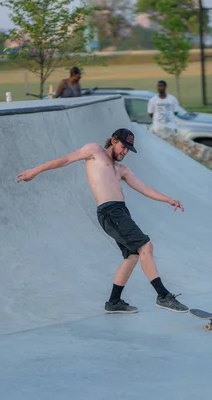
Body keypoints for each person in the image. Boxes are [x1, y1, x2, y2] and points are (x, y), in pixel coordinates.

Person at [16, 128, 189, 314]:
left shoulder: (122, 169)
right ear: (114, 141)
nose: (124, 152)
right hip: (109, 212)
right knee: (146, 246)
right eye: (123, 147)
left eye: (128, 150)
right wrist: (35, 171)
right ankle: (163, 295)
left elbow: (144, 188)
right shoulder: (94, 151)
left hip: (122, 212)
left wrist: (168, 199)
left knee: (133, 256)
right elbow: (65, 160)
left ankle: (114, 302)